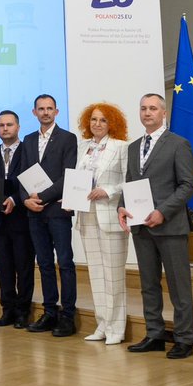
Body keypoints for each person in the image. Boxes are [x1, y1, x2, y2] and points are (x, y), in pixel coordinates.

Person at [120, 93, 193, 360]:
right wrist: (121, 206)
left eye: (153, 108)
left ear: (163, 113)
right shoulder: (133, 147)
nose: (147, 112)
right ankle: (154, 334)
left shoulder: (178, 144)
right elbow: (130, 182)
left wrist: (162, 211)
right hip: (141, 227)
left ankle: (184, 339)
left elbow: (188, 185)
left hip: (170, 226)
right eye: (143, 108)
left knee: (178, 286)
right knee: (148, 284)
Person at [13, 93, 78, 337]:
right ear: (34, 112)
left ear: (56, 112)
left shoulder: (68, 138)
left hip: (57, 210)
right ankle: (50, 312)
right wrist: (25, 200)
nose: (46, 112)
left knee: (65, 263)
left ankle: (68, 315)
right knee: (44, 263)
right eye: (41, 109)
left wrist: (41, 196)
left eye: (50, 108)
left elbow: (67, 175)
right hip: (34, 213)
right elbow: (21, 175)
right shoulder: (28, 140)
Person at [75, 102, 129, 344]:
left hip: (110, 217)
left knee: (113, 275)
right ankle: (102, 325)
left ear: (112, 123)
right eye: (94, 119)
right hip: (87, 216)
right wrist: (71, 198)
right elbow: (77, 180)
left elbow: (129, 180)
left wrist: (107, 190)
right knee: (96, 274)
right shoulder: (83, 146)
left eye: (103, 120)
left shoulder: (121, 147)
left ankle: (116, 329)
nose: (97, 124)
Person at [0, 110, 34, 329]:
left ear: (18, 127)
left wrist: (15, 199)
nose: (5, 128)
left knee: (24, 267)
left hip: (21, 217)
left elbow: (31, 182)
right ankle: (8, 310)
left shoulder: (28, 150)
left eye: (9, 125)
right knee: (4, 268)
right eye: (1, 125)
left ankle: (23, 312)